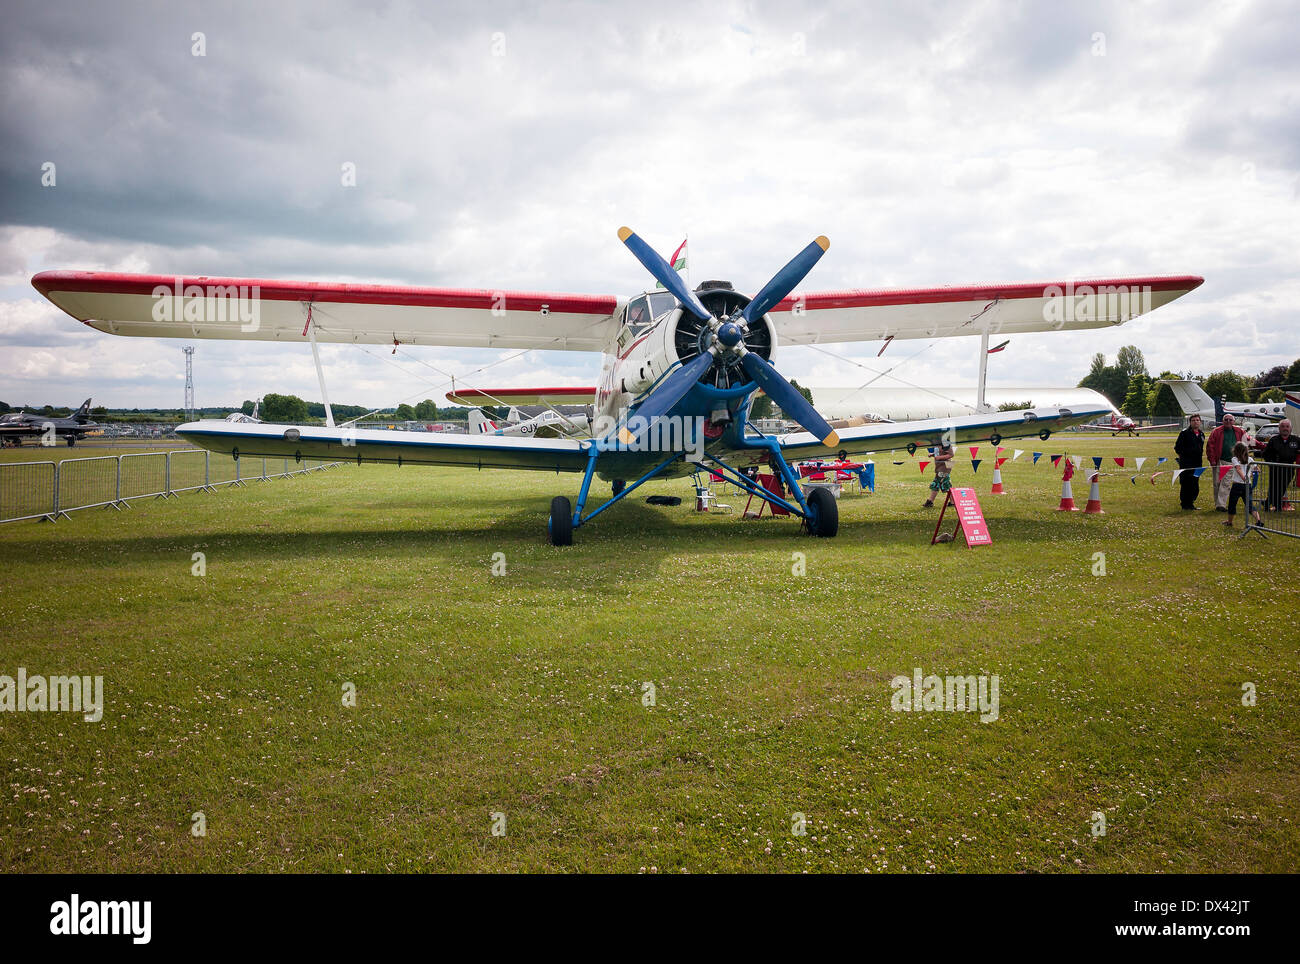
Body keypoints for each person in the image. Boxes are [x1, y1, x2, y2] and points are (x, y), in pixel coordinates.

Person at [1206, 413, 1245, 511]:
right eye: (1226, 420)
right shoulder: (1216, 431)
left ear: (1233, 421)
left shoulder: (1239, 431)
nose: (1228, 421)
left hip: (1231, 462)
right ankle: (1218, 504)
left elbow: (1249, 440)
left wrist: (1262, 446)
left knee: (1226, 483)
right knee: (1217, 483)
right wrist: (1212, 460)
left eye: (1230, 420)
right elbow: (1210, 446)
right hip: (1219, 461)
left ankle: (1221, 505)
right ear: (1223, 421)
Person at [1260, 418, 1300, 512]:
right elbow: (1266, 454)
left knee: (1282, 487)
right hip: (1275, 468)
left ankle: (1267, 502)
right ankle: (1277, 506)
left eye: (1287, 426)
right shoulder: (1274, 440)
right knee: (1274, 487)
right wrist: (1271, 463)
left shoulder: (1296, 440)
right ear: (1279, 428)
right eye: (1282, 426)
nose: (1285, 428)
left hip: (1289, 468)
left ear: (1290, 428)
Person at [1224, 441, 1260, 528]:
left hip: (1237, 485)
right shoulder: (1250, 460)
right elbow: (1257, 469)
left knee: (1232, 504)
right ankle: (1259, 521)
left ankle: (1229, 522)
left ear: (1235, 451)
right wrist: (1250, 475)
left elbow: (1238, 468)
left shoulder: (1235, 459)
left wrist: (1244, 477)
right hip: (1248, 485)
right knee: (1249, 504)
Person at [1173, 414, 1205, 510]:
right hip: (1186, 464)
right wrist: (1184, 457)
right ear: (1190, 422)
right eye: (1193, 420)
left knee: (1195, 485)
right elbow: (1177, 448)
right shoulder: (1184, 433)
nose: (1196, 422)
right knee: (1186, 484)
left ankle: (1191, 503)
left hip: (1197, 464)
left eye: (1197, 420)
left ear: (1200, 422)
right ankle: (1185, 504)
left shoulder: (1201, 434)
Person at [922, 438, 955, 507]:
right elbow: (939, 452)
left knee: (940, 483)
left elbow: (951, 454)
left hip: (946, 466)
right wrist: (933, 454)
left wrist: (939, 458)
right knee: (941, 483)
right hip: (940, 466)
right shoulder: (937, 443)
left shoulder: (946, 442)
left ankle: (930, 501)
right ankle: (952, 502)